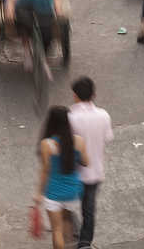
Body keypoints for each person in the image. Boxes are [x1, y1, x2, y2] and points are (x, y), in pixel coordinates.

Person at [37, 104, 90, 249]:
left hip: (53, 193)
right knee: (67, 220)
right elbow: (86, 162)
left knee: (56, 230)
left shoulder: (46, 144)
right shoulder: (78, 141)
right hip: (72, 192)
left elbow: (46, 170)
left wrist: (38, 194)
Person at [68, 77, 112, 249]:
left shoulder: (70, 117)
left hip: (74, 172)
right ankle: (85, 242)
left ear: (74, 95)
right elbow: (107, 138)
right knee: (89, 209)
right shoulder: (104, 115)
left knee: (65, 203)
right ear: (93, 94)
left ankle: (67, 230)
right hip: (95, 172)